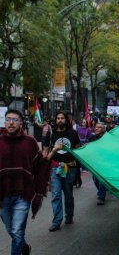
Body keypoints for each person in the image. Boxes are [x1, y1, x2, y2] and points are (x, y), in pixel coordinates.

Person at [0, 109, 51, 255]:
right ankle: (23, 247)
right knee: (12, 231)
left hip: (23, 195)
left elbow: (39, 165)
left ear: (21, 123)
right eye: (8, 119)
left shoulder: (29, 142)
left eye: (15, 119)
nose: (11, 122)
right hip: (3, 195)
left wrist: (50, 157)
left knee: (17, 231)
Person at [44, 112, 80, 232]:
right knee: (56, 195)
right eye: (58, 118)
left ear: (66, 120)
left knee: (69, 195)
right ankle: (57, 221)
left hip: (70, 168)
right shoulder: (51, 133)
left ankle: (69, 215)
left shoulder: (73, 133)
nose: (60, 120)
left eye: (62, 118)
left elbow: (78, 150)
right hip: (55, 169)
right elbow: (45, 152)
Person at [88, 122, 108, 205]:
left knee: (102, 180)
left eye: (99, 127)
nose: (96, 128)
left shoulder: (107, 138)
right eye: (96, 127)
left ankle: (101, 197)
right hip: (95, 162)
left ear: (103, 129)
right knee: (95, 179)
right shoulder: (92, 137)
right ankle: (102, 190)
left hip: (105, 162)